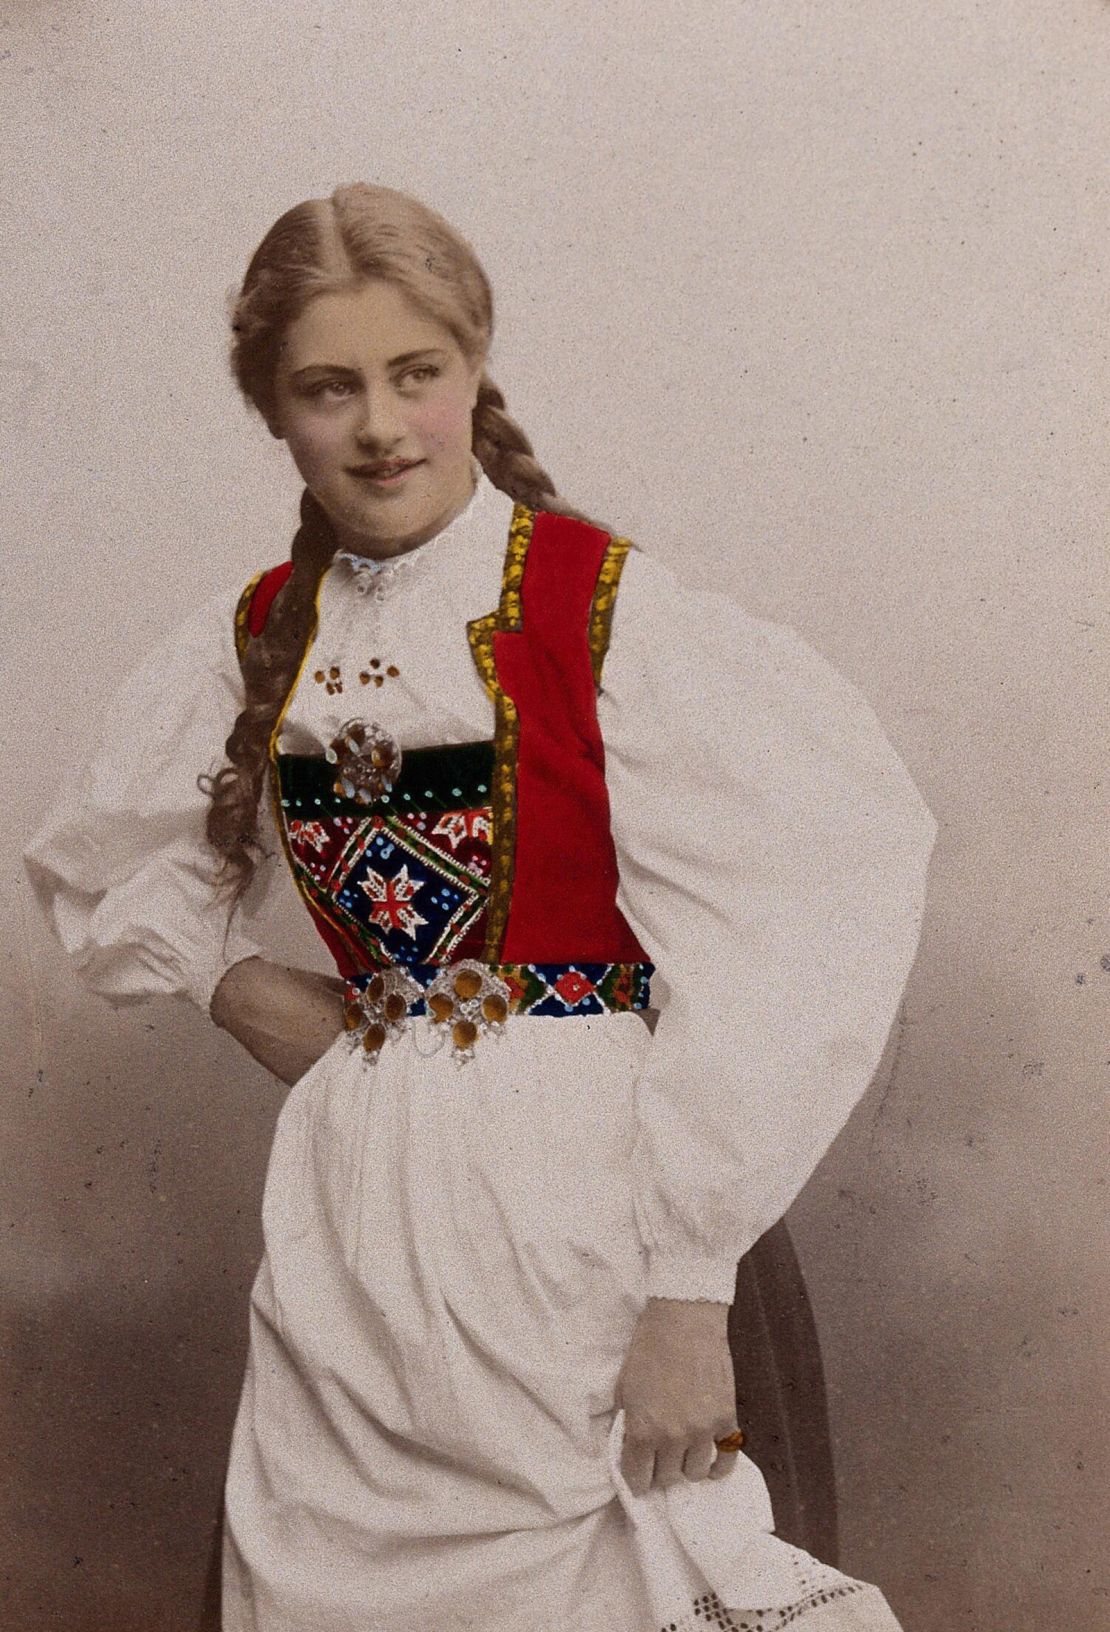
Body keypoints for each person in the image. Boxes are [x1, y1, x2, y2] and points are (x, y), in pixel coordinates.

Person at [25, 183, 936, 1632]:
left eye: (416, 374)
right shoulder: (258, 634)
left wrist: (690, 1288)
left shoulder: (602, 609)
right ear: (273, 409)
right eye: (330, 388)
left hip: (598, 1216)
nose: (381, 424)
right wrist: (221, 977)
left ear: (471, 370)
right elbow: (96, 857)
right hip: (361, 1224)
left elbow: (816, 898)